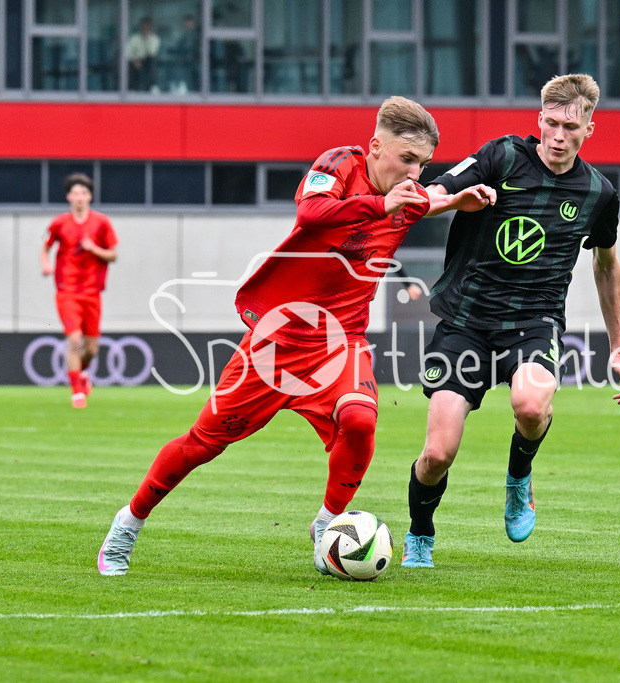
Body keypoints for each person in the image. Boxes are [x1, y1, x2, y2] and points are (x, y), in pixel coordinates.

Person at [97, 96, 495, 576]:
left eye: (423, 164)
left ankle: (327, 526)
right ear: (375, 147)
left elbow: (424, 201)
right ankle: (126, 526)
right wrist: (381, 203)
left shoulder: (405, 194)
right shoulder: (339, 164)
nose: (415, 173)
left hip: (341, 342)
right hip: (276, 342)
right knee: (203, 443)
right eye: (407, 159)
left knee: (361, 421)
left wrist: (455, 199)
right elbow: (311, 215)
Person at [401, 73, 620, 568]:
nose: (557, 135)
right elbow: (427, 196)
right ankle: (420, 531)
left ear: (589, 128)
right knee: (438, 455)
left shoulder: (598, 192)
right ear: (539, 119)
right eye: (550, 123)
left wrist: (616, 346)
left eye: (570, 127)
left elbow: (606, 265)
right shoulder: (501, 156)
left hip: (534, 321)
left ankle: (518, 479)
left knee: (531, 406)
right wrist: (455, 201)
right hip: (465, 321)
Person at [39, 173, 118, 409]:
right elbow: (45, 247)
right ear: (68, 197)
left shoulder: (101, 223)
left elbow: (113, 254)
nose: (79, 197)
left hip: (92, 291)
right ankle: (77, 393)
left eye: (83, 193)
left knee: (92, 349)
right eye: (75, 193)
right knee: (74, 339)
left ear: (90, 196)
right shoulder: (58, 223)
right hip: (67, 290)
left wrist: (94, 249)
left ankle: (82, 373)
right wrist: (45, 264)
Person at [126, 17, 160, 92]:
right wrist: (134, 60)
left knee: (152, 62)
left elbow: (152, 52)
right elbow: (127, 53)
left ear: (150, 28)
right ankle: (131, 89)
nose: (145, 29)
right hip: (135, 61)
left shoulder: (154, 38)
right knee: (128, 64)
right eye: (143, 27)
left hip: (148, 61)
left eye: (147, 27)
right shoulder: (134, 38)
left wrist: (146, 39)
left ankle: (153, 86)